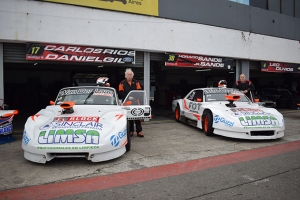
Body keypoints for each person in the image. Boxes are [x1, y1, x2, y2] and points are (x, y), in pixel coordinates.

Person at [118, 68, 144, 138]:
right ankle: (130, 131)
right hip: (126, 103)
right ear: (125, 76)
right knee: (129, 117)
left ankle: (139, 131)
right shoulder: (122, 83)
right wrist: (128, 97)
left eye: (130, 75)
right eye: (128, 75)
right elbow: (120, 92)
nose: (129, 76)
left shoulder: (136, 82)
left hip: (136, 102)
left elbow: (139, 91)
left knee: (138, 117)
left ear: (132, 75)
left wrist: (134, 97)